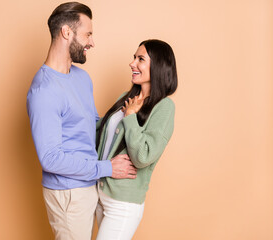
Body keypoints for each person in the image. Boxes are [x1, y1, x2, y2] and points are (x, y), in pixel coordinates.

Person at [26, 2, 137, 240]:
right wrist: (107, 168)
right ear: (67, 32)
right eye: (88, 34)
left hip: (90, 184)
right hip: (67, 194)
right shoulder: (44, 91)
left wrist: (131, 116)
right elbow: (50, 159)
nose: (92, 42)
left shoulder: (81, 78)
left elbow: (91, 126)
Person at [95, 39, 178, 240]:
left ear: (158, 66)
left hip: (123, 203)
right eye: (134, 58)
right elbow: (101, 135)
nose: (132, 63)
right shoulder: (127, 96)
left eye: (140, 59)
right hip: (100, 193)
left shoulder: (164, 107)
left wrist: (130, 117)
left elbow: (143, 156)